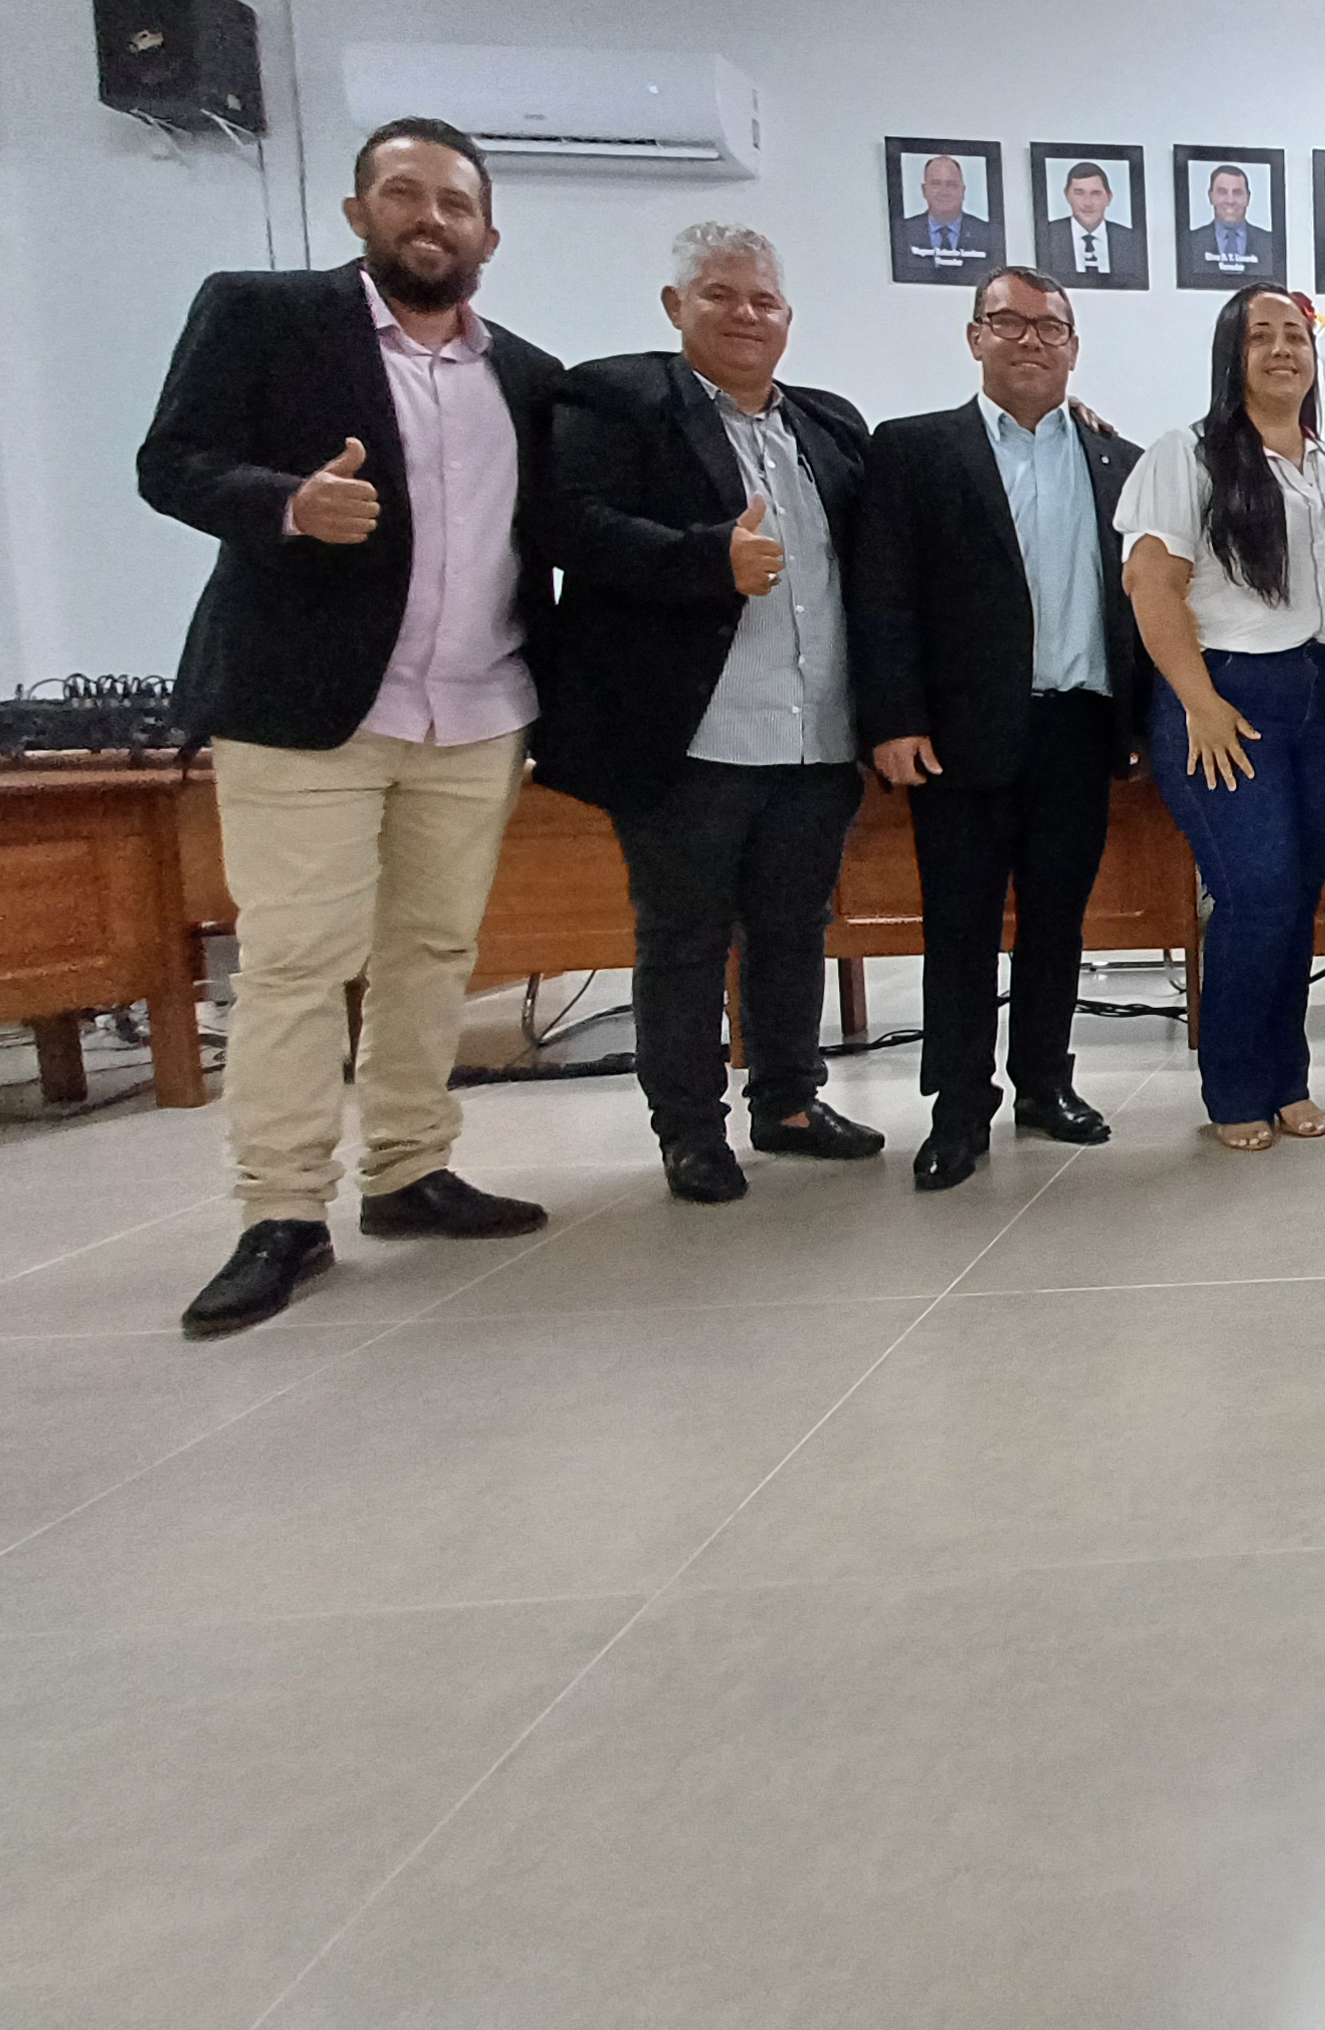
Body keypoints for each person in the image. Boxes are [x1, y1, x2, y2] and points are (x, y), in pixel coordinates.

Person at [136, 118, 564, 1337]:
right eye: (404, 194)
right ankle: (280, 1210)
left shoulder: (530, 375)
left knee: (432, 950)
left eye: (455, 203)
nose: (430, 218)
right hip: (307, 708)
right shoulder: (265, 315)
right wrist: (287, 503)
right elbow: (170, 461)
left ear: (487, 235)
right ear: (357, 211)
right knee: (296, 961)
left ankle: (409, 1168)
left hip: (476, 707)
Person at [536, 225, 882, 1202]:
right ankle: (690, 1131)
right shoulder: (618, 400)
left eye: (764, 300)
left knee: (794, 928)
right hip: (689, 736)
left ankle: (790, 1102)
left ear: (788, 318)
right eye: (720, 295)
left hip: (815, 730)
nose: (745, 315)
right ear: (674, 306)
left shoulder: (830, 426)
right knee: (685, 939)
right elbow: (569, 526)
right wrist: (704, 559)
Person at [851, 268, 1150, 1192]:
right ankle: (958, 1108)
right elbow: (882, 592)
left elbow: (1140, 602)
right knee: (961, 925)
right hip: (960, 735)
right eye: (1008, 322)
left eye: (1050, 327)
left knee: (1058, 922)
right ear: (975, 337)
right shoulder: (915, 450)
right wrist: (894, 718)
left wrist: (1140, 719)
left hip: (1080, 726)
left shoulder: (1120, 461)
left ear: (1074, 346)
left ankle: (1046, 1084)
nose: (1030, 340)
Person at [1119, 286, 1325, 1150]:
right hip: (1228, 695)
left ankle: (1287, 1078)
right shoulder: (1185, 454)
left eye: (1295, 335)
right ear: (1232, 355)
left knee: (1298, 898)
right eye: (1259, 336)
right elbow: (1152, 586)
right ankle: (1233, 1086)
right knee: (1254, 893)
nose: (1281, 350)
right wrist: (1200, 702)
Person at [893, 153, 996, 286]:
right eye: (936, 184)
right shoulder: (902, 232)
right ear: (924, 190)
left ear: (963, 191)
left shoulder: (988, 233)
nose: (944, 192)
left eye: (951, 185)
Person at [1038, 159, 1142, 289]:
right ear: (1067, 195)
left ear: (1109, 197)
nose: (1087, 203)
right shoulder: (1048, 235)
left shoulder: (1130, 240)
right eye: (1079, 193)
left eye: (1096, 193)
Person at [1182, 163, 1277, 282]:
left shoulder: (1271, 243)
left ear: (1248, 198)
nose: (1230, 200)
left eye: (1237, 193)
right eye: (1222, 192)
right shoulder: (1189, 242)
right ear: (1211, 196)